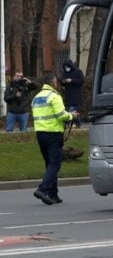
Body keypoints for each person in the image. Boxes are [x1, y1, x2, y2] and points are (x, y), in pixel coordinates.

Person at [31, 74, 79, 205]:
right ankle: (42, 189)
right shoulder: (54, 96)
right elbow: (61, 115)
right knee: (55, 163)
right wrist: (72, 116)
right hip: (53, 134)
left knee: (49, 163)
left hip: (40, 134)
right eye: (56, 82)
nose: (57, 84)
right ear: (53, 83)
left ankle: (53, 194)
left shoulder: (37, 97)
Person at [60, 59, 84, 128]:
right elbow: (62, 82)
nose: (66, 68)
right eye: (65, 67)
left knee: (72, 110)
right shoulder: (65, 73)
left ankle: (68, 124)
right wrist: (63, 82)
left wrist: (72, 80)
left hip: (76, 94)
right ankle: (78, 124)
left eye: (67, 67)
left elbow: (81, 81)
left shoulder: (78, 72)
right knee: (73, 111)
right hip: (68, 95)